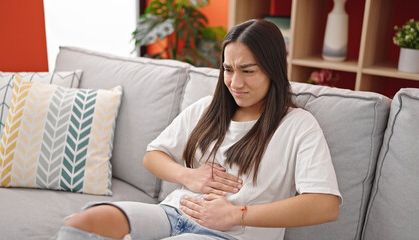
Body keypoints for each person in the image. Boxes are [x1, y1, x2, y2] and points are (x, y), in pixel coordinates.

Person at [57, 19, 342, 240]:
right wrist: (189, 176)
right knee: (81, 225)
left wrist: (237, 214)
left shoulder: (297, 125)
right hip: (171, 213)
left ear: (273, 69)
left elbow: (325, 205)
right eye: (228, 69)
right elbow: (153, 155)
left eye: (248, 70)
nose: (235, 82)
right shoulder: (208, 108)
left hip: (229, 234)